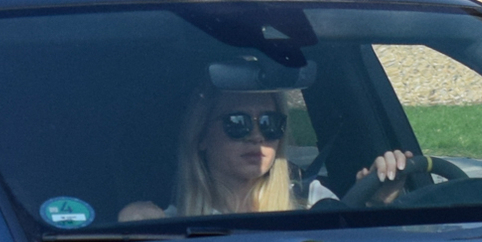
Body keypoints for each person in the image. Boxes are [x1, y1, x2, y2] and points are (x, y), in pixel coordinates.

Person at [121, 86, 412, 221]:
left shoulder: (312, 201)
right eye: (238, 123)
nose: (257, 135)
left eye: (271, 124)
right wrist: (135, 232)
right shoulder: (170, 225)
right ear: (201, 138)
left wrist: (377, 205)